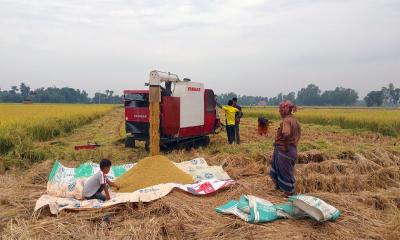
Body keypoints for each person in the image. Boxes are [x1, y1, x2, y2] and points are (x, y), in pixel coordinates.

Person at [269, 100, 301, 195]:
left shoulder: (287, 120)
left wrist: (285, 146)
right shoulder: (294, 120)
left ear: (285, 110)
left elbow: (286, 133)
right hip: (291, 150)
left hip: (285, 151)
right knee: (280, 171)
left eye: (280, 109)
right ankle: (280, 191)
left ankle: (288, 194)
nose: (279, 111)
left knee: (285, 173)